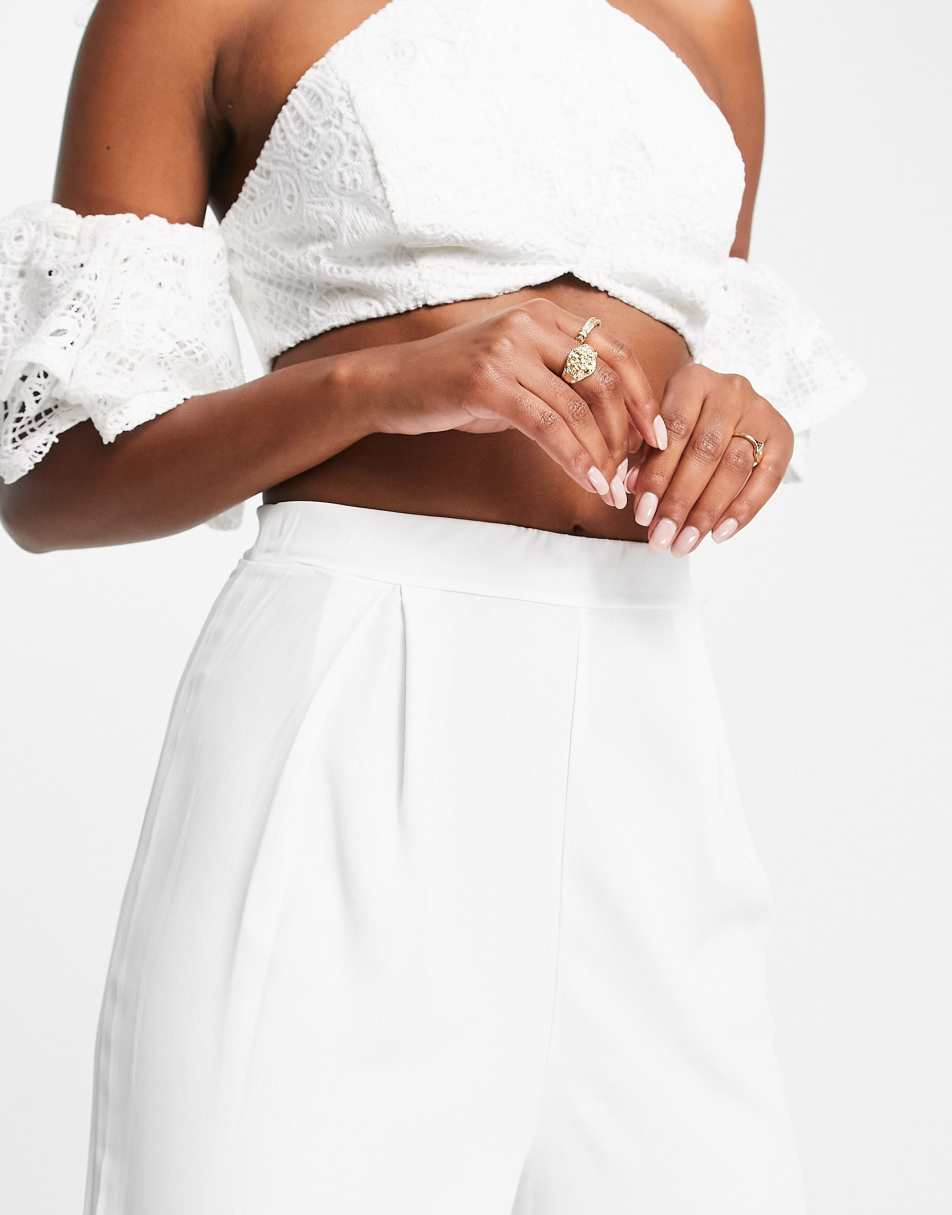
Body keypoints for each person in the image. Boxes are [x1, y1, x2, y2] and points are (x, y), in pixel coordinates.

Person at [0, 1, 865, 1211]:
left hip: (646, 710)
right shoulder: (192, 11)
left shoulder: (706, 15)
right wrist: (377, 385)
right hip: (349, 693)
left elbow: (701, 346)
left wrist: (737, 419)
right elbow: (51, 485)